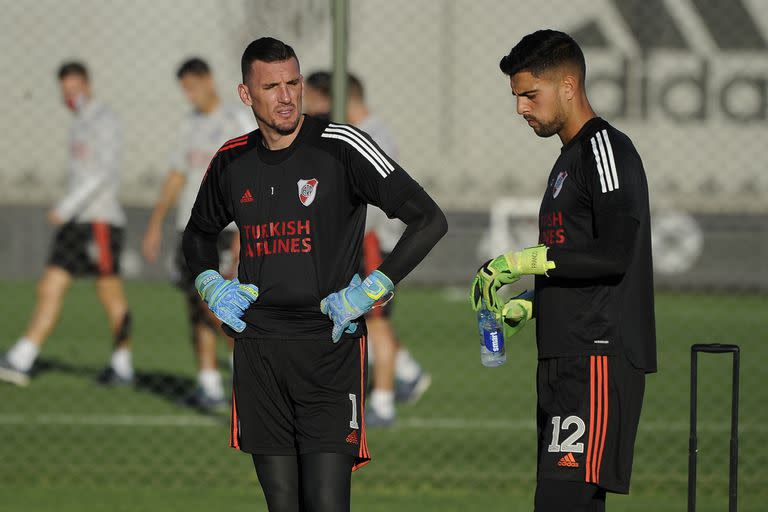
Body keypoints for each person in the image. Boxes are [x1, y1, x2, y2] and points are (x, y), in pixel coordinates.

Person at [182, 37, 447, 511]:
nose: (286, 97)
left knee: (326, 504)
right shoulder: (231, 160)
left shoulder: (341, 146)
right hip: (259, 352)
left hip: (329, 349)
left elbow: (429, 219)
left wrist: (372, 290)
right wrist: (209, 283)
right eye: (271, 87)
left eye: (293, 83)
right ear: (246, 94)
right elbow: (197, 234)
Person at [470, 30, 656, 512]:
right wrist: (530, 305)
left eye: (530, 95)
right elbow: (579, 260)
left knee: (559, 502)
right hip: (563, 355)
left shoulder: (605, 150)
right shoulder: (567, 160)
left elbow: (615, 254)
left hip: (597, 355)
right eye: (516, 97)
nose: (521, 109)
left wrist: (522, 260)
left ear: (569, 87)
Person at [303, 71, 432, 427]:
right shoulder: (351, 132)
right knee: (360, 318)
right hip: (360, 240)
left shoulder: (372, 135)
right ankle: (405, 374)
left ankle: (384, 401)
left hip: (373, 241)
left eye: (315, 100)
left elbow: (377, 199)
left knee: (375, 321)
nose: (311, 108)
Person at [0, 61, 134, 387]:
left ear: (88, 84)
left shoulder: (104, 120)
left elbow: (102, 173)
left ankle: (122, 366)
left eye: (75, 87)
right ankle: (22, 357)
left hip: (99, 220)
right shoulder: (79, 124)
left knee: (110, 295)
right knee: (49, 287)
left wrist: (66, 205)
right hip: (76, 221)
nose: (70, 95)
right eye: (65, 89)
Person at [142, 57, 255, 411]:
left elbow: (251, 175)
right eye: (184, 89)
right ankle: (209, 384)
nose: (189, 95)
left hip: (224, 229)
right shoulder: (189, 124)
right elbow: (178, 174)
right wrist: (156, 223)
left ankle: (250, 377)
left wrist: (245, 230)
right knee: (195, 303)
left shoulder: (235, 121)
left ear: (208, 80)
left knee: (220, 306)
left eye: (192, 87)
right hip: (189, 230)